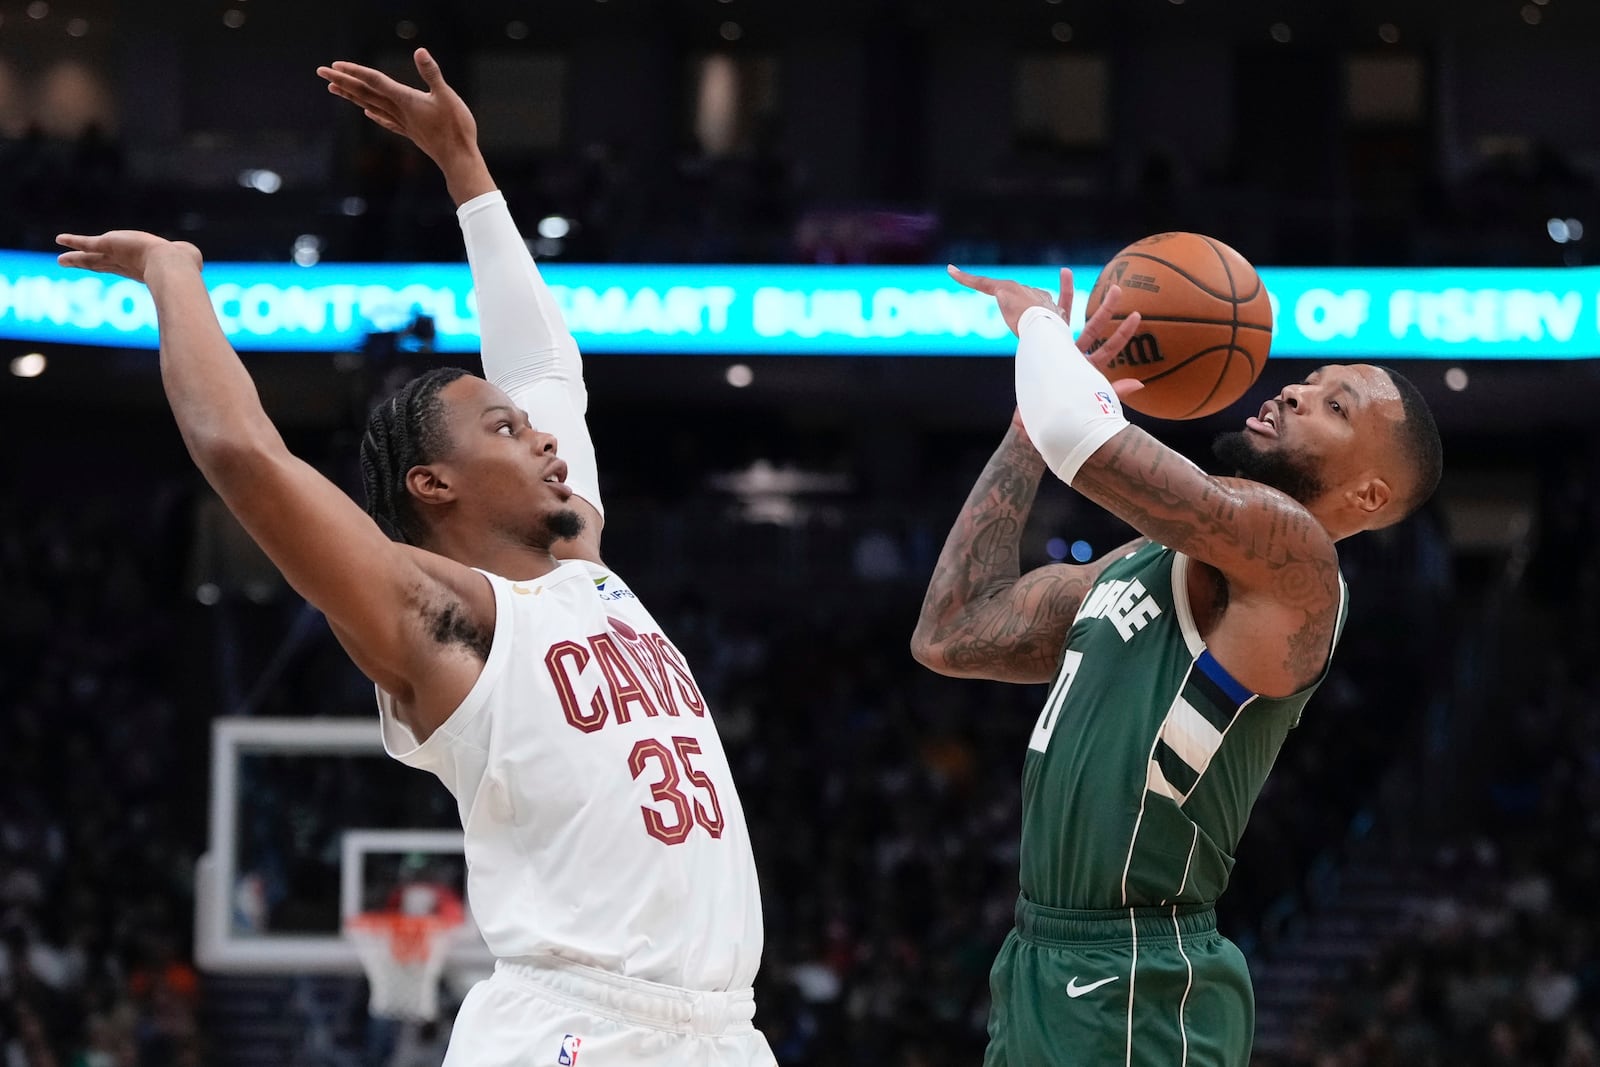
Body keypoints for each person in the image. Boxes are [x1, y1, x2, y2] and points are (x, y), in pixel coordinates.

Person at [57, 47, 775, 1067]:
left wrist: (466, 169)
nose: (541, 433)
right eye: (502, 428)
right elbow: (243, 453)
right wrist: (175, 275)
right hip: (579, 1029)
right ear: (432, 485)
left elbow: (542, 363)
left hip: (721, 1029)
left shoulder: (584, 556)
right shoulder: (446, 623)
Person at [910, 266, 1443, 1066]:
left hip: (1138, 977)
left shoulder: (1297, 563)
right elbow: (952, 629)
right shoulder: (1143, 561)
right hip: (1037, 957)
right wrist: (1027, 423)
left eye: (1337, 407)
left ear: (1368, 496)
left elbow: (1083, 440)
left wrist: (1041, 333)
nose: (1296, 391)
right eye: (1312, 380)